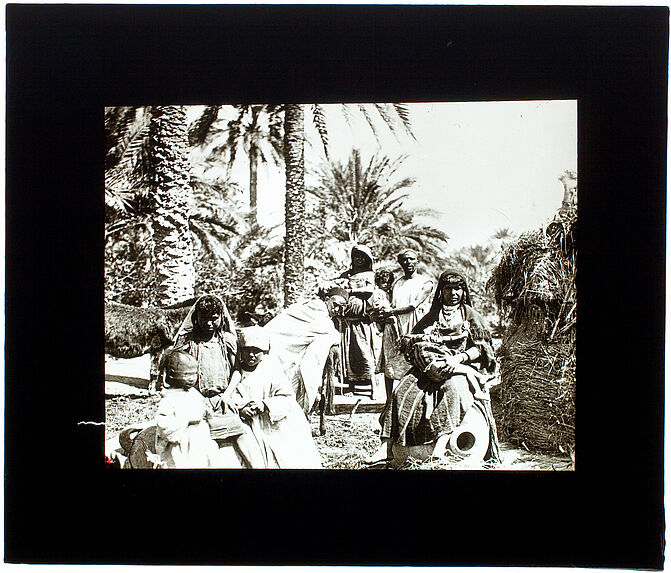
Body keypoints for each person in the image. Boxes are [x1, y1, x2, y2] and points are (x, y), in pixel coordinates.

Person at [373, 270, 501, 465]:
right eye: (449, 289)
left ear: (463, 291)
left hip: (459, 366)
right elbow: (410, 339)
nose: (453, 293)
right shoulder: (433, 315)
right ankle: (385, 446)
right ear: (441, 291)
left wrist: (459, 359)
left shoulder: (469, 315)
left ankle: (441, 443)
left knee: (453, 389)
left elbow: (482, 349)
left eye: (458, 288)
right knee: (402, 391)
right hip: (431, 365)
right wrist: (420, 341)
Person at [169, 294, 265, 468]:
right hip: (196, 400)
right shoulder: (188, 342)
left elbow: (236, 371)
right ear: (196, 318)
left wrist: (227, 396)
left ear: (221, 318)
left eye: (214, 319)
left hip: (223, 399)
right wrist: (196, 399)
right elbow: (179, 375)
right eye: (204, 318)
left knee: (242, 436)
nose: (209, 323)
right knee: (206, 444)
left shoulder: (227, 340)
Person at [230, 326, 323, 469]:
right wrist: (241, 408)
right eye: (247, 350)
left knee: (284, 453)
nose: (251, 355)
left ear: (265, 352)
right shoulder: (236, 372)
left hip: (272, 421)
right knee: (249, 453)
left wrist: (265, 405)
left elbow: (286, 396)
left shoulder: (271, 369)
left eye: (256, 351)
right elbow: (231, 394)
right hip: (248, 421)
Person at [376, 249, 434, 398]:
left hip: (415, 325)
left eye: (411, 259)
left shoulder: (426, 282)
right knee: (391, 361)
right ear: (400, 263)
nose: (408, 262)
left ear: (417, 261)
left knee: (416, 360)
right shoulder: (396, 283)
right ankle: (389, 400)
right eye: (404, 260)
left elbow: (413, 305)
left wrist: (392, 312)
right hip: (394, 327)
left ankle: (414, 397)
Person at [154, 350, 222, 468]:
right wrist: (188, 420)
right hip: (180, 444)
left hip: (198, 438)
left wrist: (207, 412)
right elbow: (164, 426)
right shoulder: (169, 398)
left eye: (194, 374)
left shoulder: (193, 392)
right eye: (186, 374)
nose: (192, 379)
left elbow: (203, 407)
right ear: (171, 374)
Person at [333, 245, 385, 397]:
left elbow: (369, 291)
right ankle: (350, 385)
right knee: (347, 354)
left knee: (364, 352)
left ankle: (371, 386)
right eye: (357, 256)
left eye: (363, 256)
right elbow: (337, 289)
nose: (359, 259)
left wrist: (349, 289)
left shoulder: (369, 274)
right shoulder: (345, 274)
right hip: (345, 321)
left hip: (362, 321)